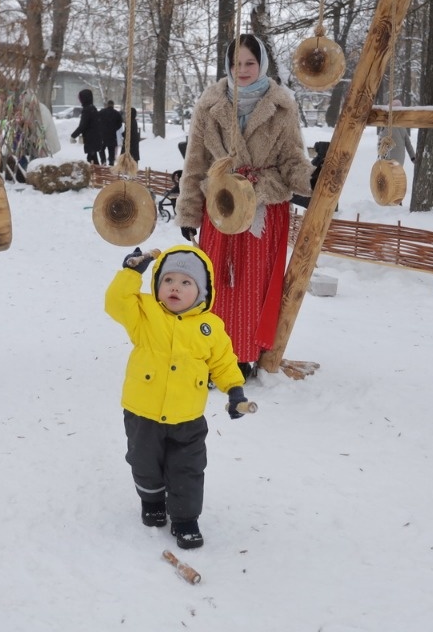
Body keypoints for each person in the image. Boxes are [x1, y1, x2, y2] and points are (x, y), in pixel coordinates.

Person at [174, 34, 313, 379]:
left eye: (250, 62)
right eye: (236, 63)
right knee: (215, 282)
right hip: (221, 206)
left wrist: (314, 177)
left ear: (263, 63)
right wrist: (189, 210)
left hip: (263, 208)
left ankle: (243, 356)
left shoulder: (283, 105)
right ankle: (210, 355)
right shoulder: (210, 105)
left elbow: (293, 158)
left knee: (253, 285)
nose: (243, 70)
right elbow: (196, 162)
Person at [106, 245, 249, 550]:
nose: (175, 287)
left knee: (188, 468)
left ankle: (185, 519)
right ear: (158, 284)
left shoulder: (210, 328)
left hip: (187, 417)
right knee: (144, 462)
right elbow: (115, 302)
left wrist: (234, 391)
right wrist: (131, 273)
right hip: (142, 412)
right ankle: (152, 501)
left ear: (201, 291)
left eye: (186, 283)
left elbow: (224, 362)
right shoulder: (145, 314)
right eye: (169, 280)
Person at [379, 99, 416, 166]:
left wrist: (413, 157)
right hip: (395, 159)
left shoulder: (396, 126)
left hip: (394, 159)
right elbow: (408, 144)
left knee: (393, 175)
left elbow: (408, 144)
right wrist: (413, 157)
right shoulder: (393, 126)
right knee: (394, 174)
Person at [69, 88, 102, 165]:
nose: (80, 100)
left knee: (91, 160)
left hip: (91, 139)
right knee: (93, 159)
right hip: (95, 139)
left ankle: (96, 176)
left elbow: (82, 126)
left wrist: (73, 136)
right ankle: (97, 175)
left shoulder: (87, 110)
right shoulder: (93, 108)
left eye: (80, 98)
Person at [98, 100, 123, 165]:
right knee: (111, 150)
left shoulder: (101, 112)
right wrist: (114, 129)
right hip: (112, 135)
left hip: (102, 135)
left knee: (101, 149)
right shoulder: (117, 114)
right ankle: (111, 162)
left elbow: (97, 121)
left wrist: (101, 128)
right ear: (113, 105)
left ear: (107, 104)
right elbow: (120, 124)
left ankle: (103, 161)